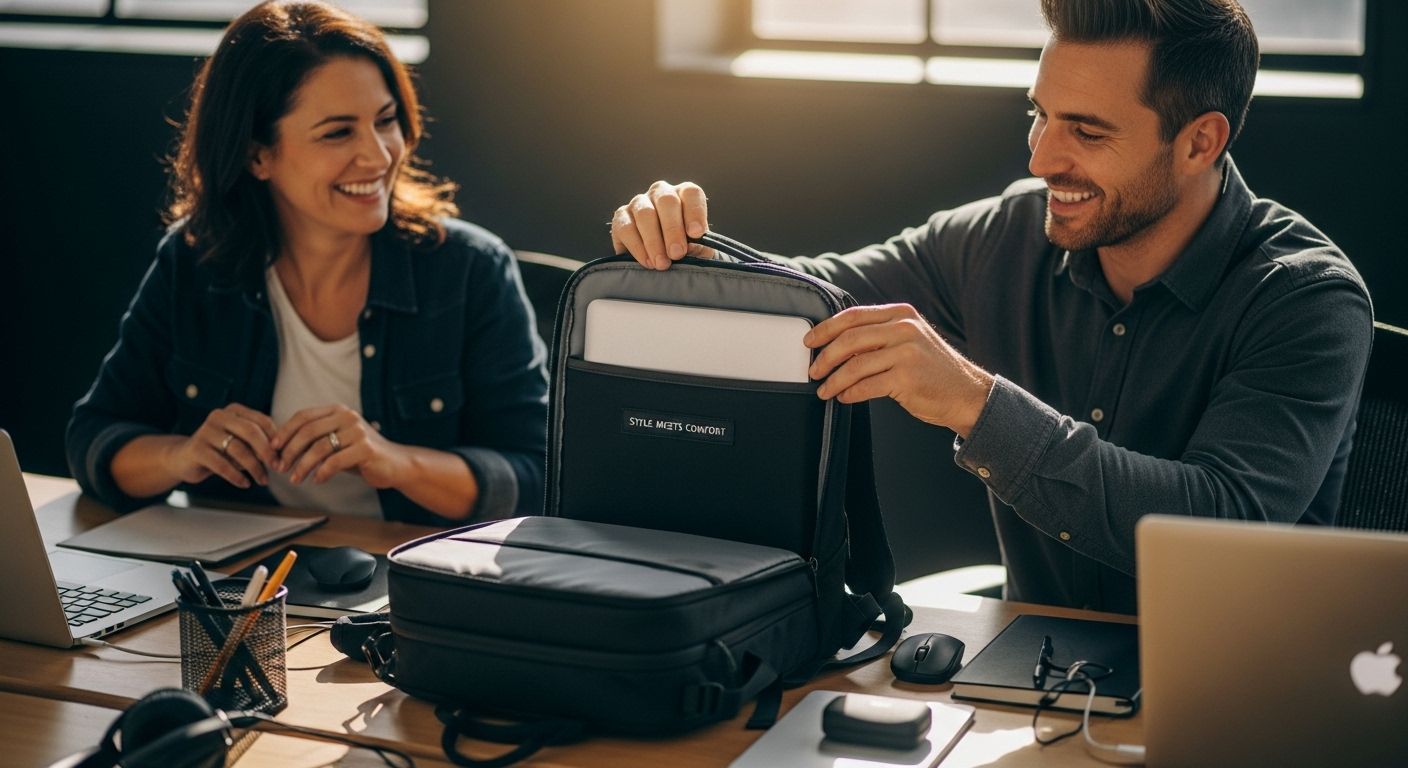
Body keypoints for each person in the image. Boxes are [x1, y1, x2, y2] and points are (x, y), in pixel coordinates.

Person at [609, 0, 1373, 613]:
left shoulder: (1307, 299)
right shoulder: (1006, 235)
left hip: (1237, 702)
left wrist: (976, 404)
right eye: (1039, 113)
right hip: (1031, 686)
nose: (1042, 158)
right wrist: (688, 250)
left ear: (1201, 142)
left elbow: (1220, 524)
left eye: (1087, 131)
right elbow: (807, 298)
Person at [67, 1, 548, 525]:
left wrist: (394, 461)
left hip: (409, 584)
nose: (379, 155)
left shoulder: (470, 269)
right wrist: (181, 455)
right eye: (338, 133)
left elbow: (535, 478)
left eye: (385, 121)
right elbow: (94, 441)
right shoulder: (196, 262)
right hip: (247, 589)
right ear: (258, 156)